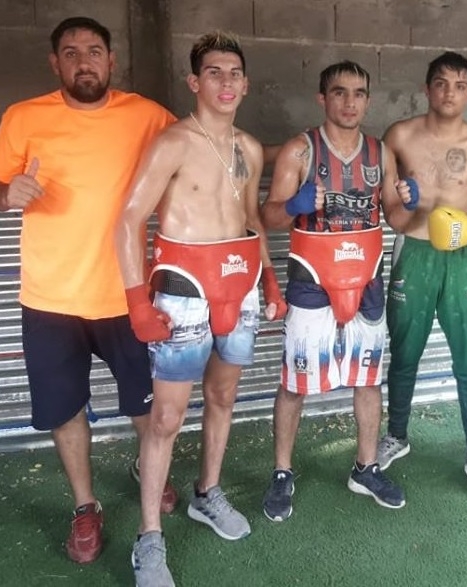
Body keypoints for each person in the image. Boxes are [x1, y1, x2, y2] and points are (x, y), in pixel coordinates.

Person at [0, 16, 177, 565]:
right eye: (70, 53)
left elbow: (196, 152)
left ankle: (150, 470)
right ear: (55, 63)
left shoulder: (147, 116)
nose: (83, 62)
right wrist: (4, 195)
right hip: (51, 300)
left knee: (147, 407)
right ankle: (85, 506)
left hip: (127, 296)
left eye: (93, 51)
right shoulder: (23, 117)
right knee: (67, 412)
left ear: (111, 61)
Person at [115, 32, 286, 585]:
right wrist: (137, 301)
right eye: (214, 72)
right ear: (194, 82)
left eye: (234, 72)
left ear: (246, 83)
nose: (226, 82)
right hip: (183, 291)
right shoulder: (173, 143)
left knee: (223, 396)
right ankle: (149, 537)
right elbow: (128, 219)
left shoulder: (251, 147)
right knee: (166, 418)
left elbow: (252, 220)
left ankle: (207, 493)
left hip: (239, 285)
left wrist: (270, 280)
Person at [260, 60, 415, 521]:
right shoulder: (300, 151)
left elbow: (395, 217)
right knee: (295, 381)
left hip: (366, 277)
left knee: (368, 378)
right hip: (312, 278)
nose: (350, 102)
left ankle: (365, 467)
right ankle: (282, 471)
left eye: (359, 93)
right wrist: (293, 204)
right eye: (339, 92)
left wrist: (411, 201)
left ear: (368, 100)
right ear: (322, 98)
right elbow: (269, 217)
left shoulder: (381, 153)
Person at [376, 51, 467, 502]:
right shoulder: (399, 135)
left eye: (459, 85)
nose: (449, 92)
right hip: (413, 252)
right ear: (427, 88)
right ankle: (397, 435)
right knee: (404, 352)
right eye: (440, 83)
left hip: (461, 258)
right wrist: (404, 207)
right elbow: (387, 204)